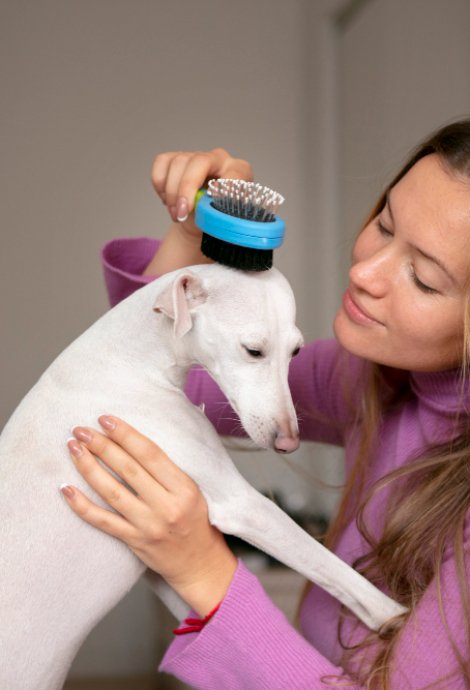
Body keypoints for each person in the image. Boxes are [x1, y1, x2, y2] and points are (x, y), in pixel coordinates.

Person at [60, 123, 470, 689]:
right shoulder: (376, 380)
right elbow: (175, 374)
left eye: (423, 278)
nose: (363, 272)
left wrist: (203, 570)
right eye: (384, 225)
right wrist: (190, 231)